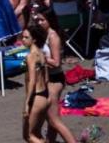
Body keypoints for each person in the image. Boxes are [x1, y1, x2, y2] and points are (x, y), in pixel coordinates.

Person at [32, 9, 79, 143]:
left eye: (42, 20)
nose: (39, 23)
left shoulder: (53, 37)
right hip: (47, 79)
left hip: (54, 80)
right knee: (50, 117)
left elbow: (56, 62)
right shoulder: (43, 34)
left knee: (54, 119)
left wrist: (41, 58)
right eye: (38, 20)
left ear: (50, 21)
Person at [22, 24, 50, 143]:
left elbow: (32, 81)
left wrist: (27, 104)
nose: (23, 40)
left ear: (34, 39)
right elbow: (47, 77)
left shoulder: (31, 56)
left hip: (36, 97)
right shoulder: (42, 53)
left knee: (29, 136)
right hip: (44, 96)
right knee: (37, 134)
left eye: (26, 37)